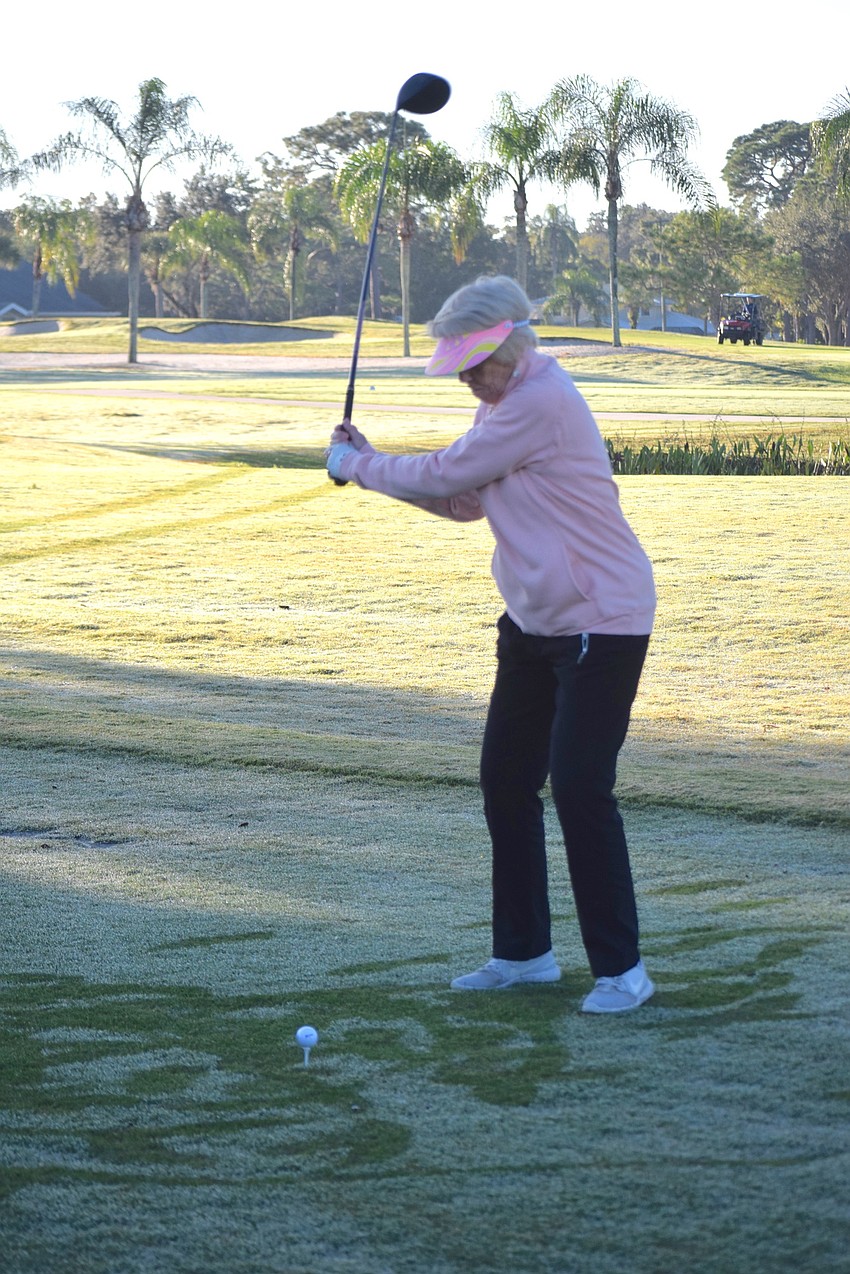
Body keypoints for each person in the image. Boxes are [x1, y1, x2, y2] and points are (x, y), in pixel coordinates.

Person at [326, 275, 656, 1013]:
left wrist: (355, 468)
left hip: (602, 621)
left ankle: (622, 972)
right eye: (463, 366)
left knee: (578, 787)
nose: (470, 377)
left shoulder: (539, 402)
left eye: (477, 363)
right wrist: (373, 462)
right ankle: (524, 956)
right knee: (506, 783)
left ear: (510, 346)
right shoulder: (507, 405)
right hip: (534, 624)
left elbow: (449, 471)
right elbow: (461, 500)